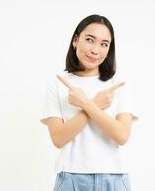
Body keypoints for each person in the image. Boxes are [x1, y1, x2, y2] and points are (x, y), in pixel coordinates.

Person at [41, 14, 139, 191]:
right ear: (75, 40)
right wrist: (94, 105)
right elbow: (58, 138)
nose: (95, 50)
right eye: (89, 40)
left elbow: (122, 135)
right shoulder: (58, 84)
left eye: (104, 44)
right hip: (70, 179)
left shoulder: (118, 84)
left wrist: (87, 104)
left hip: (114, 179)